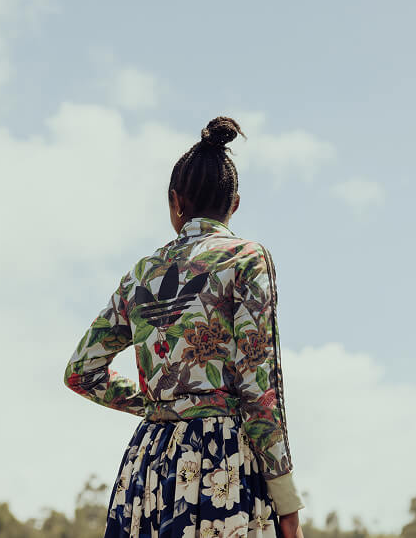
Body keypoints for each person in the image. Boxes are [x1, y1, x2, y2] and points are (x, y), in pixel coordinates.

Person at [64, 116, 305, 538]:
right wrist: (286, 501)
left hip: (149, 470)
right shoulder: (247, 258)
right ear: (234, 205)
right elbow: (258, 385)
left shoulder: (141, 274)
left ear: (175, 201)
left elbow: (81, 371)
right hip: (223, 462)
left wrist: (160, 404)